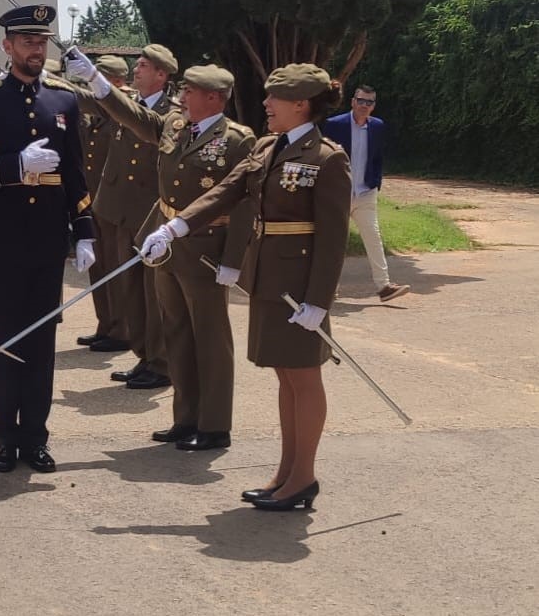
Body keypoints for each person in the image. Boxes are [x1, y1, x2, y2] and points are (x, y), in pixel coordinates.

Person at [137, 64, 350, 511]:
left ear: (301, 104)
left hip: (300, 289)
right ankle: (287, 472)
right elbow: (228, 190)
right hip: (270, 281)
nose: (266, 105)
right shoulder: (270, 147)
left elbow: (332, 241)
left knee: (303, 378)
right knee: (284, 378)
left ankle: (303, 476)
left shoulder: (327, 158)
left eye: (275, 99)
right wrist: (176, 226)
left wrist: (319, 302)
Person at [67, 51, 256, 449]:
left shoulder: (237, 139)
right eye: (184, 89)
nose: (183, 97)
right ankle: (185, 419)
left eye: (191, 91)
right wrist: (99, 83)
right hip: (166, 246)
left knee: (210, 338)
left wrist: (233, 262)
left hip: (206, 250)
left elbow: (243, 202)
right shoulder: (174, 125)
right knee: (176, 334)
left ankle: (214, 424)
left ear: (215, 98)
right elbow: (135, 117)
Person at [0, 5, 96, 474]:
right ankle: (4, 439)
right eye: (28, 42)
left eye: (42, 42)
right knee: (5, 340)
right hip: (1, 236)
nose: (37, 50)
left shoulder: (65, 99)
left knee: (42, 342)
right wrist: (13, 166)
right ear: (8, 46)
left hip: (47, 238)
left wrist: (85, 230)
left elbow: (75, 170)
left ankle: (35, 437)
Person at [92, 43, 178, 389]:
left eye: (143, 66)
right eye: (137, 65)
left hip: (150, 213)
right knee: (129, 290)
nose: (136, 70)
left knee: (152, 292)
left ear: (162, 74)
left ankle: (161, 362)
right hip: (121, 211)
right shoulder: (129, 106)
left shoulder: (173, 113)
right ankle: (144, 355)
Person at [70, 54, 132, 350]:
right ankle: (105, 323)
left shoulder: (121, 112)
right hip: (91, 199)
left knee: (113, 264)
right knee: (97, 265)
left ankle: (122, 329)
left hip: (114, 204)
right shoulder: (92, 115)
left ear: (117, 82)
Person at [324, 86, 408, 302]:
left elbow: (377, 157)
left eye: (369, 102)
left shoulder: (377, 127)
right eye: (361, 100)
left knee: (373, 237)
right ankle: (328, 287)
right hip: (338, 193)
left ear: (373, 106)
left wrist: (375, 182)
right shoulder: (335, 125)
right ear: (353, 101)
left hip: (365, 192)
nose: (364, 105)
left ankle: (384, 286)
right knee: (333, 241)